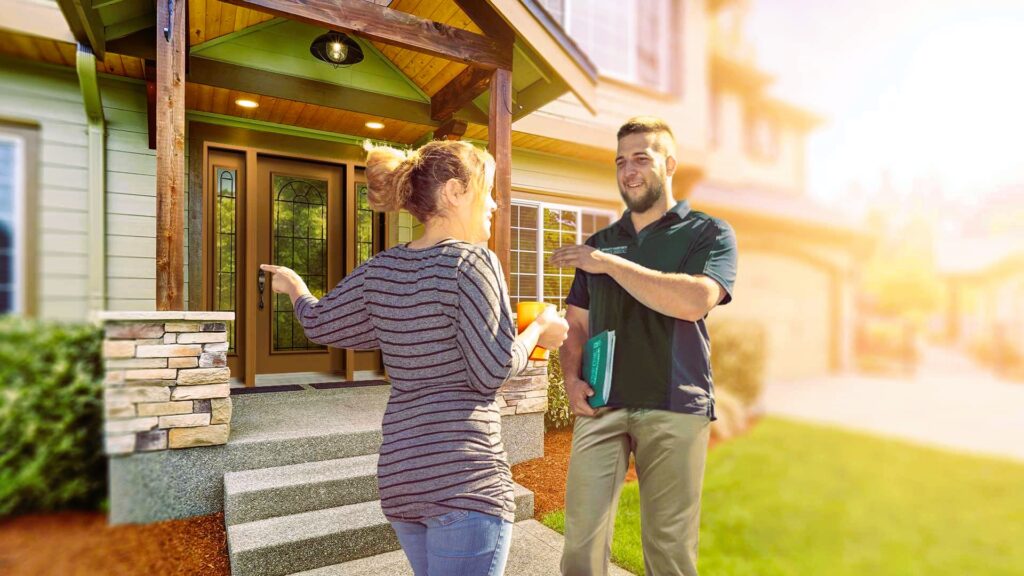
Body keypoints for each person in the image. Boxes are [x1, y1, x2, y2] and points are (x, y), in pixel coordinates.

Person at [260, 139, 569, 576]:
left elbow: (319, 323)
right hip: (463, 479)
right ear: (455, 192)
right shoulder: (473, 262)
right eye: (490, 190)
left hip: (402, 479)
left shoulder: (382, 269)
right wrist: (541, 329)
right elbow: (493, 369)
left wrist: (295, 287)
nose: (496, 204)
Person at [549, 117, 738, 576]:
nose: (628, 171)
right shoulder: (601, 243)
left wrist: (610, 266)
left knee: (669, 549)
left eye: (640, 159)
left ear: (669, 164)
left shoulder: (707, 232)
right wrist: (571, 379)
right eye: (620, 161)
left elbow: (694, 300)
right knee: (580, 543)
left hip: (675, 403)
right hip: (603, 405)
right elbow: (577, 324)